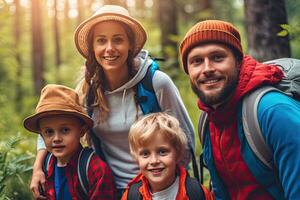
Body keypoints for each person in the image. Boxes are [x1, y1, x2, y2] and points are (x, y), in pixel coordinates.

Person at [30, 5, 195, 199]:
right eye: (101, 41)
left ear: (130, 45)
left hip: (153, 190)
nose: (109, 48)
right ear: (93, 47)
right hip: (106, 188)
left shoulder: (155, 83)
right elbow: (53, 119)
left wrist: (168, 188)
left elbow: (186, 139)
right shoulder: (88, 89)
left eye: (118, 39)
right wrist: (37, 168)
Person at [179, 19, 300, 199]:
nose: (207, 69)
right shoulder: (209, 119)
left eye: (217, 57)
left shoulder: (273, 112)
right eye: (196, 61)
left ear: (238, 61)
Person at [24, 84, 117, 199]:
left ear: (81, 131)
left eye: (65, 130)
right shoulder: (45, 167)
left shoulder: (95, 170)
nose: (56, 138)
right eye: (49, 132)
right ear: (42, 136)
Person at [121, 112, 212, 200]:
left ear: (178, 153)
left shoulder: (195, 193)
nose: (154, 161)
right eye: (145, 154)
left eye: (162, 152)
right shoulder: (132, 195)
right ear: (137, 158)